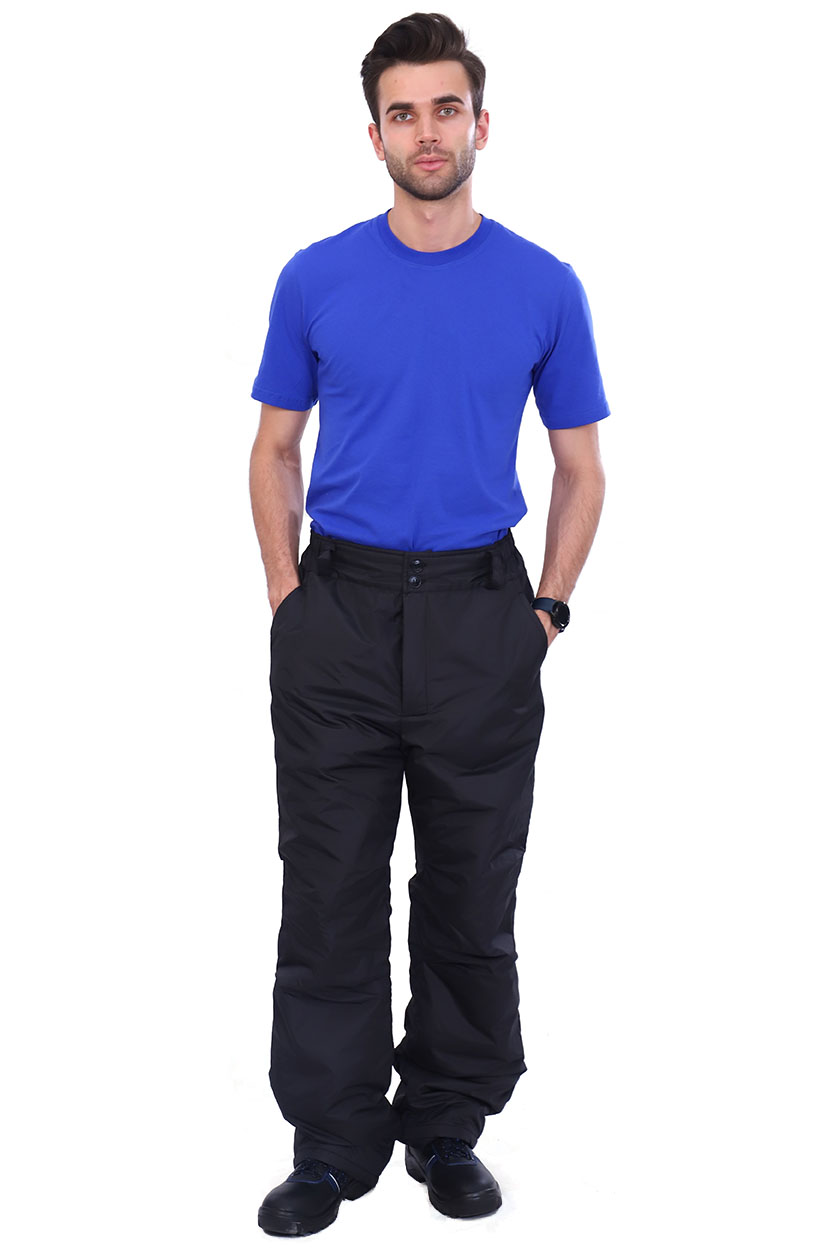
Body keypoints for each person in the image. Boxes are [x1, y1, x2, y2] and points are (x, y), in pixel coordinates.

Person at [248, 10, 609, 1238]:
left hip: (479, 616)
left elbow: (582, 469)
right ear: (375, 137)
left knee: (470, 889)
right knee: (330, 890)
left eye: (445, 107)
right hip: (339, 615)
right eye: (402, 112)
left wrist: (544, 611)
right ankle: (332, 1143)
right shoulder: (315, 277)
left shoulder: (542, 284)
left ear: (481, 123)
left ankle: (448, 1125)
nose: (427, 131)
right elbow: (274, 449)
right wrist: (287, 599)